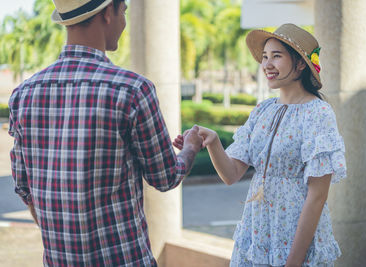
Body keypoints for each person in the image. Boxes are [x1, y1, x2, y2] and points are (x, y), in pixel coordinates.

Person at [8, 0, 202, 266]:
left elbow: (24, 186)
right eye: (123, 11)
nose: (124, 21)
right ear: (108, 12)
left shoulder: (24, 94)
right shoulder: (133, 90)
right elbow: (166, 177)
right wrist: (190, 147)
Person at [174, 24, 347, 267]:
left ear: (300, 64)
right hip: (258, 232)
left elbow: (317, 196)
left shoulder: (319, 114)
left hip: (295, 237)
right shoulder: (263, 111)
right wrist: (212, 141)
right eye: (265, 57)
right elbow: (231, 174)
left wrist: (293, 263)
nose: (267, 64)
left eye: (276, 56)